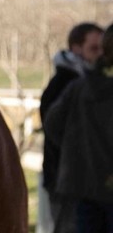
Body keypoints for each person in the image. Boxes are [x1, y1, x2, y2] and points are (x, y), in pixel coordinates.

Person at [43, 23, 113, 233]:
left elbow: (52, 124)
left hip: (81, 186)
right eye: (93, 48)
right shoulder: (66, 84)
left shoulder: (79, 86)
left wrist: (79, 159)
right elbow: (52, 124)